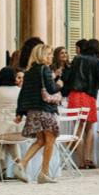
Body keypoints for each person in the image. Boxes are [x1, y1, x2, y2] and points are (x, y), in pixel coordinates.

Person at [13, 44, 62, 183]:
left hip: (33, 111)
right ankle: (44, 173)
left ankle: (22, 164)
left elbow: (23, 94)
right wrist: (60, 84)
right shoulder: (44, 70)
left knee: (40, 140)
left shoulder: (28, 72)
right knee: (50, 140)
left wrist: (19, 113)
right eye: (49, 54)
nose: (51, 57)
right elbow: (52, 89)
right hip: (45, 110)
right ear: (43, 55)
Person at [63, 38, 99, 168]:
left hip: (75, 95)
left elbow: (69, 78)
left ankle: (81, 161)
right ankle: (88, 159)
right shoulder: (98, 61)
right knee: (89, 130)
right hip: (89, 96)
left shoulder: (77, 59)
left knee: (78, 129)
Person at [0, 67, 25, 176]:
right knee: (11, 141)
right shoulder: (19, 90)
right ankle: (19, 164)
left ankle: (2, 167)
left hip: (3, 133)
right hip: (20, 131)